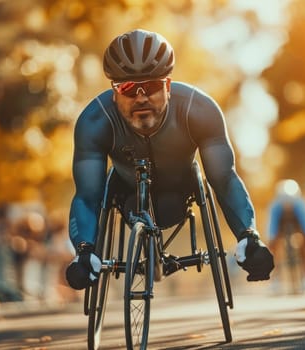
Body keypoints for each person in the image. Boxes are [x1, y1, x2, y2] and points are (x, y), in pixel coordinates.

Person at [65, 29, 274, 290]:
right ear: (114, 91)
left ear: (167, 85)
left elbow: (225, 180)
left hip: (180, 193)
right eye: (128, 88)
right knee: (102, 189)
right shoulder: (95, 121)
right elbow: (87, 196)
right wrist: (84, 250)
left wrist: (249, 236)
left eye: (151, 86)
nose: (141, 96)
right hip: (127, 196)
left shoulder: (198, 110)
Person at [267, 179, 305, 291]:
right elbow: (272, 227)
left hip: (297, 220)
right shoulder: (275, 207)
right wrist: (271, 240)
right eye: (285, 203)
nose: (287, 205)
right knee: (274, 246)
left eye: (290, 203)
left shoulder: (300, 205)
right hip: (280, 221)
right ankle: (275, 278)